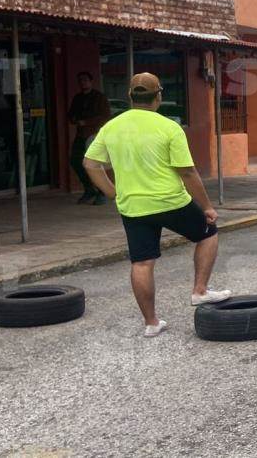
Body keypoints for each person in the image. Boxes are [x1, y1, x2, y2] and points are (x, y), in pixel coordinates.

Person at [82, 73, 230, 338]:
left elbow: (90, 164)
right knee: (208, 234)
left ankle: (151, 323)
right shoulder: (169, 127)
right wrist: (207, 206)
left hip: (133, 207)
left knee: (142, 263)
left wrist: (112, 191)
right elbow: (187, 172)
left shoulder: (111, 127)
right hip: (170, 201)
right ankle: (200, 291)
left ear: (129, 96)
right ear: (159, 96)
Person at [67, 72, 111, 205]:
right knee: (75, 161)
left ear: (91, 82)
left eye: (85, 80)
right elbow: (71, 114)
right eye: (80, 81)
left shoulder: (99, 97)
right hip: (81, 135)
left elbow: (106, 116)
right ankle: (89, 189)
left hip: (95, 136)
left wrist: (87, 122)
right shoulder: (78, 98)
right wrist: (74, 119)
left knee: (95, 164)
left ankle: (102, 192)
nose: (83, 83)